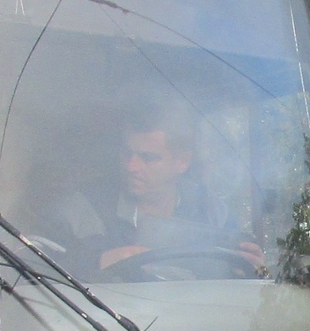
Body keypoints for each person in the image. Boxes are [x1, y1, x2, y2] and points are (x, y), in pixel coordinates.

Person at [60, 100, 257, 277]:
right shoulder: (83, 208)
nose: (131, 167)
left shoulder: (212, 212)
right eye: (127, 153)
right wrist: (98, 261)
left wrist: (249, 269)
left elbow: (236, 277)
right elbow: (33, 264)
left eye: (148, 158)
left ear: (182, 161)